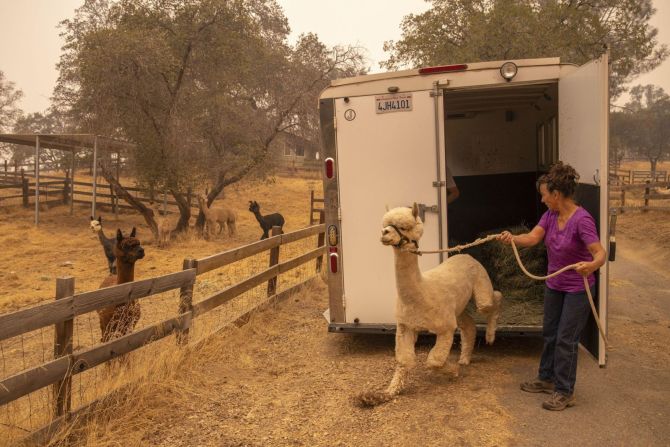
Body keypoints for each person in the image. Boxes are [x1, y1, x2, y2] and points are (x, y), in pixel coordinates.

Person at [497, 161, 606, 411]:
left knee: (566, 339)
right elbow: (534, 238)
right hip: (554, 284)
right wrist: (512, 238)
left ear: (556, 194)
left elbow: (599, 252)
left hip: (578, 288)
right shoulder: (550, 215)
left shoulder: (582, 220)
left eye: (545, 196)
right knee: (550, 333)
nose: (543, 200)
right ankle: (546, 378)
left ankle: (564, 391)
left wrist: (591, 266)